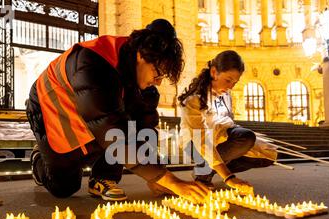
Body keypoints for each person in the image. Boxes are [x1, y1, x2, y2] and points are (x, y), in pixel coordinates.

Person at [26, 19, 209, 203]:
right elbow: (109, 128)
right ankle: (38, 161)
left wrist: (157, 176)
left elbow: (145, 131)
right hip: (49, 107)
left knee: (127, 125)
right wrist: (172, 181)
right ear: (141, 55)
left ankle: (103, 178)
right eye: (158, 73)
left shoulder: (146, 88)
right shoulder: (94, 62)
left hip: (94, 116)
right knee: (64, 187)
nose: (159, 81)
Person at [178, 50, 275, 193]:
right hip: (195, 143)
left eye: (235, 82)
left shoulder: (226, 94)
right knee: (246, 138)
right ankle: (203, 172)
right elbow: (201, 139)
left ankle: (206, 169)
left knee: (267, 156)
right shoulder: (194, 100)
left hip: (222, 135)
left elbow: (228, 120)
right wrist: (228, 177)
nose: (231, 87)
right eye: (228, 80)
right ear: (214, 72)